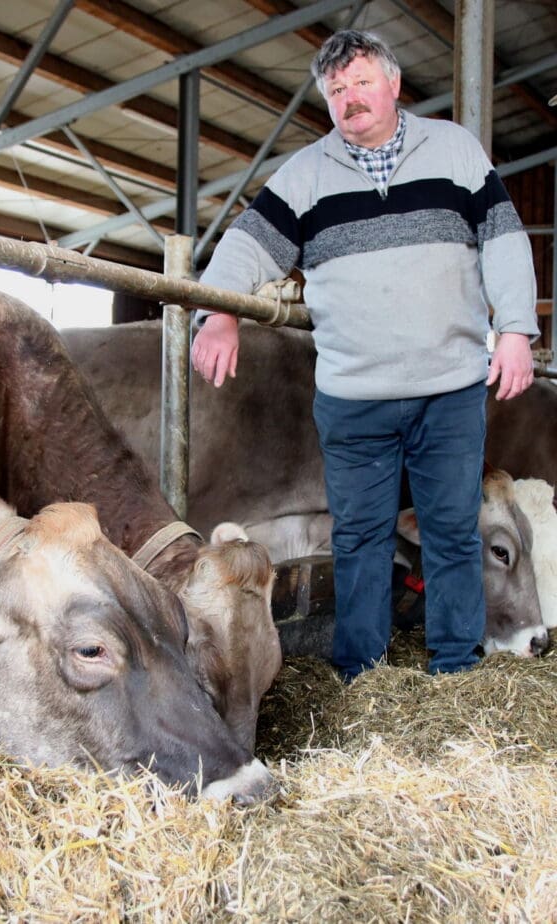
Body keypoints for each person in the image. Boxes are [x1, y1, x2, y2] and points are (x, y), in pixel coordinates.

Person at [191, 29, 538, 682]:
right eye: (336, 90)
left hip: (450, 389)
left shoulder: (456, 151)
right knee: (358, 540)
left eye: (362, 83)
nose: (350, 99)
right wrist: (220, 311)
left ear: (394, 85)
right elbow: (245, 245)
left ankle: (456, 668)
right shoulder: (305, 175)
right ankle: (362, 673)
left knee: (452, 534)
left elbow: (504, 240)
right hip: (355, 398)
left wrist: (516, 328)